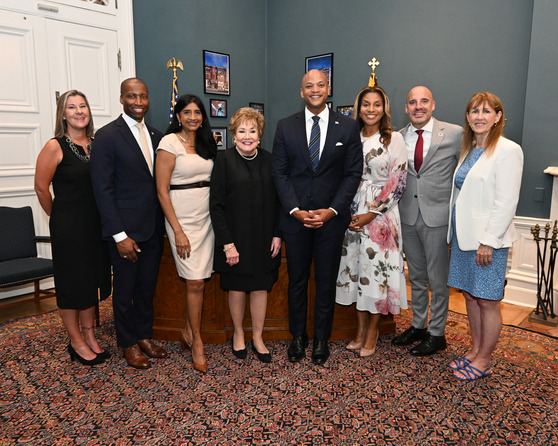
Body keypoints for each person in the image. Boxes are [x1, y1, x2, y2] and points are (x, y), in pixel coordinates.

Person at [272, 69, 362, 365]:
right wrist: (296, 211)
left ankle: (322, 339)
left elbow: (352, 174)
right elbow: (280, 173)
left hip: (331, 221)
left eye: (320, 85)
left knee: (325, 281)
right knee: (296, 281)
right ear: (301, 92)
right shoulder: (285, 127)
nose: (314, 90)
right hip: (295, 221)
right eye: (308, 86)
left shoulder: (347, 127)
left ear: (328, 89)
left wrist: (333, 210)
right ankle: (298, 337)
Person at [91, 78, 167, 370]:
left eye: (143, 96)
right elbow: (102, 190)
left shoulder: (157, 135)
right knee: (124, 291)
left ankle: (144, 336)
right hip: (125, 233)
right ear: (121, 99)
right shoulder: (108, 136)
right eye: (132, 96)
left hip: (152, 229)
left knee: (146, 289)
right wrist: (119, 235)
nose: (138, 102)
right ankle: (127, 343)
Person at [447, 92, 523, 381]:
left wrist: (489, 240)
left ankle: (485, 359)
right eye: (474, 111)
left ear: (498, 117)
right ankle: (475, 350)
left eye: (486, 111)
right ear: (467, 117)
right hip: (463, 238)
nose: (479, 116)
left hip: (487, 243)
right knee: (469, 296)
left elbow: (506, 201)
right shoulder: (469, 149)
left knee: (487, 300)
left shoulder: (508, 150)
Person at [34, 90, 111, 366]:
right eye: (72, 107)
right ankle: (75, 341)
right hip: (69, 227)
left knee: (90, 282)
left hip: (96, 226)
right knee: (71, 285)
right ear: (63, 114)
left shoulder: (97, 144)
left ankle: (90, 335)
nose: (79, 111)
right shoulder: (55, 146)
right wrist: (58, 216)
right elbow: (41, 188)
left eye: (83, 106)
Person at [336, 86, 408, 357]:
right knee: (357, 273)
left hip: (381, 217)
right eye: (366, 104)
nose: (371, 109)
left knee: (377, 275)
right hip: (352, 213)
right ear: (358, 107)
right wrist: (347, 212)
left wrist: (372, 213)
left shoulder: (394, 139)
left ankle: (372, 332)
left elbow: (397, 183)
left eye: (377, 104)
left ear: (384, 108)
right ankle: (358, 331)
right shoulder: (351, 136)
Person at [392, 86, 463, 356]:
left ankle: (437, 333)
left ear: (433, 104)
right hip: (407, 215)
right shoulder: (398, 137)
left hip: (438, 218)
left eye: (423, 101)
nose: (418, 106)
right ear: (406, 107)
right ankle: (418, 325)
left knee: (438, 280)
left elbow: (465, 172)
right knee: (417, 277)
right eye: (412, 102)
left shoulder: (455, 133)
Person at [210, 107, 281, 363]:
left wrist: (277, 235)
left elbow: (278, 202)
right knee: (237, 287)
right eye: (242, 131)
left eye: (252, 130)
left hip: (264, 237)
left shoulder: (271, 160)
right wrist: (227, 244)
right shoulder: (223, 160)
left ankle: (258, 337)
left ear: (260, 134)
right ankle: (238, 334)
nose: (247, 136)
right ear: (234, 134)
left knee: (261, 286)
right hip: (235, 238)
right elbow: (216, 206)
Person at [156, 94, 217, 373]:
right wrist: (177, 230)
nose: (193, 117)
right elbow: (161, 191)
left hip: (207, 217)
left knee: (202, 279)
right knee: (195, 281)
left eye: (197, 112)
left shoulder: (207, 141)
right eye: (187, 112)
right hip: (182, 219)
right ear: (178, 116)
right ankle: (197, 340)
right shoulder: (169, 144)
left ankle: (187, 330)